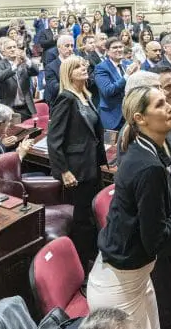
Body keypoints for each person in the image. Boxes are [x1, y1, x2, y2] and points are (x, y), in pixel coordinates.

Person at [87, 86, 171, 329]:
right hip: (120, 283)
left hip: (133, 276)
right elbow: (157, 241)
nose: (170, 106)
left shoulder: (144, 150)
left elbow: (155, 194)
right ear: (140, 118)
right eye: (159, 104)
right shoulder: (148, 164)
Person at [48, 55, 107, 265]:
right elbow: (54, 139)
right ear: (68, 73)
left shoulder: (85, 95)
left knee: (92, 214)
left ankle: (93, 254)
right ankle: (82, 263)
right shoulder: (66, 98)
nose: (84, 68)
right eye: (77, 67)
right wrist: (64, 170)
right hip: (77, 169)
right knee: (83, 219)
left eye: (84, 65)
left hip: (91, 165)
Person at [94, 39, 139, 130]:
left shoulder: (129, 64)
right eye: (115, 47)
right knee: (111, 144)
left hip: (131, 115)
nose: (118, 50)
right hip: (113, 116)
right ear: (107, 51)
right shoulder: (101, 67)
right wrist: (126, 76)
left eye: (120, 47)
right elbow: (108, 90)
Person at [0, 36, 40, 121]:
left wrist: (26, 59)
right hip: (8, 108)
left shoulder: (24, 63)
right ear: (3, 52)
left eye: (14, 47)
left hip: (26, 107)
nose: (12, 49)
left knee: (29, 131)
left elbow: (36, 72)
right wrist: (15, 65)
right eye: (9, 48)